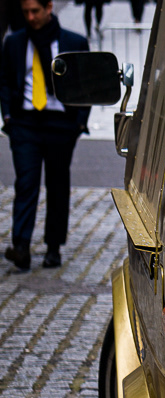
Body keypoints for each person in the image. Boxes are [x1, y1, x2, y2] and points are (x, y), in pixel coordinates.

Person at [1, 0, 89, 270]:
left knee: (57, 184)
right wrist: (8, 116)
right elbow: (5, 80)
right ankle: (21, 246)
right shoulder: (15, 42)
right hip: (25, 123)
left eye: (35, 11)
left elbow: (86, 84)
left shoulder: (73, 42)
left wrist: (79, 123)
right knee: (26, 182)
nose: (30, 17)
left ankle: (53, 247)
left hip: (60, 124)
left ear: (49, 7)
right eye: (25, 12)